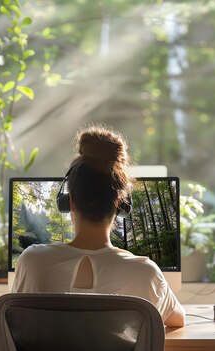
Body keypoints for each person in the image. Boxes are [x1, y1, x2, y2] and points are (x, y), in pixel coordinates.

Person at [11, 125, 186, 327]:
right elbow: (178, 320)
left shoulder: (32, 261)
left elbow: (16, 321)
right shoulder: (146, 273)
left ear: (70, 202)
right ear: (121, 204)